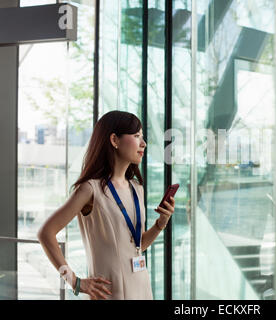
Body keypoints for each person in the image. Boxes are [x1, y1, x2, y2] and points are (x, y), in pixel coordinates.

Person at [37, 110, 175, 300]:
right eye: (136, 136)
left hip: (141, 288)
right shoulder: (89, 189)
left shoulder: (136, 188)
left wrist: (161, 223)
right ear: (114, 140)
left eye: (142, 137)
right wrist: (74, 281)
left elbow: (137, 245)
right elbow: (46, 233)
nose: (143, 143)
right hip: (109, 294)